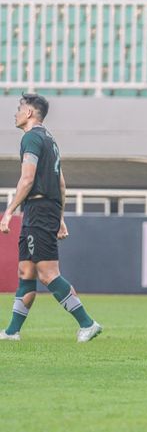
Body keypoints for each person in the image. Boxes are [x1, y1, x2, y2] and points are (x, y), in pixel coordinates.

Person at [0, 93, 102, 343]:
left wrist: (9, 211)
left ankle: (88, 324)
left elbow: (27, 178)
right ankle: (12, 332)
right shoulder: (50, 140)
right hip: (43, 210)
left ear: (29, 113)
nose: (15, 113)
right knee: (26, 272)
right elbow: (61, 183)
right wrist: (60, 217)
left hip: (38, 209)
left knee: (47, 273)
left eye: (19, 108)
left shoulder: (31, 138)